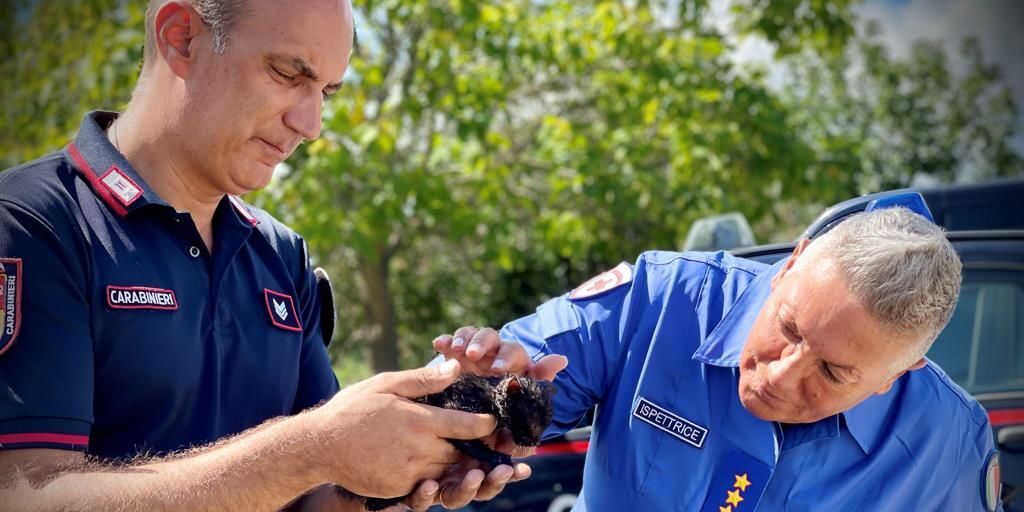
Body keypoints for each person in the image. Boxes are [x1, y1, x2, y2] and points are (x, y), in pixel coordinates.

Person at [0, 0, 563, 509]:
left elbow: (319, 497)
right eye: (289, 73)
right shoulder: (31, 222)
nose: (311, 124)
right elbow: (24, 497)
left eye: (327, 92)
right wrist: (312, 448)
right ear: (182, 38)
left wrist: (439, 425)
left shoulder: (280, 253)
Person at [435, 207, 1004, 511]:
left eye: (832, 372)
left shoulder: (947, 442)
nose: (780, 374)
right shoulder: (662, 301)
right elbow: (527, 376)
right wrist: (493, 392)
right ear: (791, 263)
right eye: (787, 327)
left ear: (898, 375)